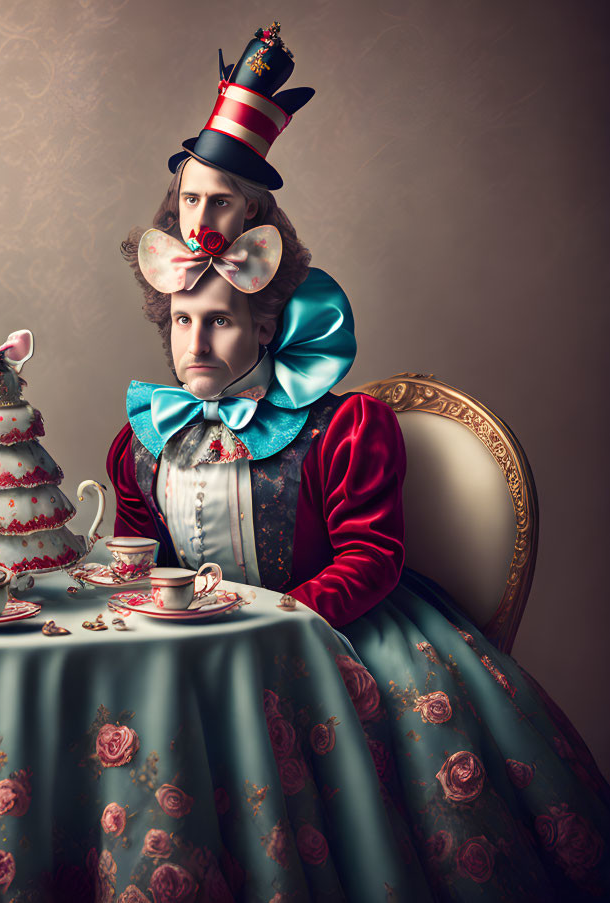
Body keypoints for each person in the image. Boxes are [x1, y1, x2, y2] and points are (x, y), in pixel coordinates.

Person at [109, 23, 610, 900]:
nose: (196, 340)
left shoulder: (342, 429)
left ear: (267, 321)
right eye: (182, 321)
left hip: (330, 631)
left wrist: (277, 621)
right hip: (192, 646)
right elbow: (138, 553)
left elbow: (370, 554)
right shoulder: (144, 440)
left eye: (221, 320)